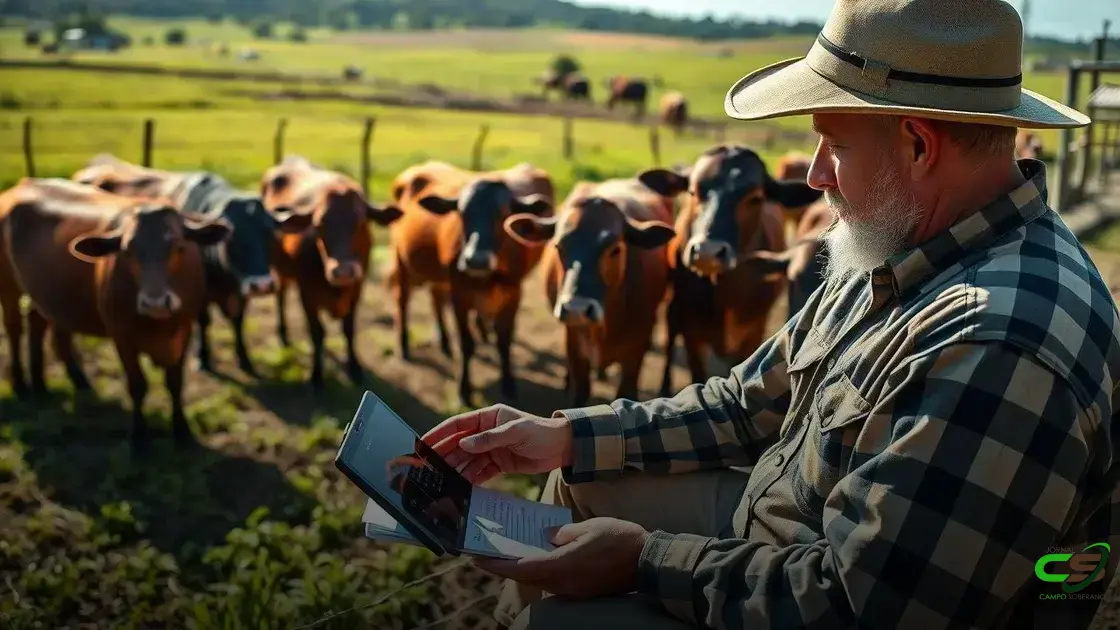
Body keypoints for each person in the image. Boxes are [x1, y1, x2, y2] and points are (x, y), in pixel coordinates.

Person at [421, 1, 1120, 628]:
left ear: (917, 145)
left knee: (563, 625)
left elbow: (862, 606)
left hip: (815, 579)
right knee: (579, 477)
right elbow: (748, 402)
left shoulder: (999, 350)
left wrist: (642, 563)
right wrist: (566, 435)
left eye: (835, 146)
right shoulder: (905, 246)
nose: (813, 176)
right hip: (777, 528)